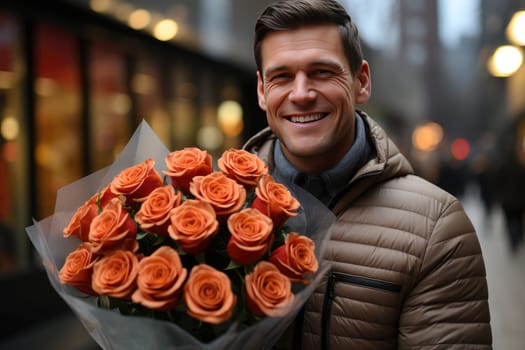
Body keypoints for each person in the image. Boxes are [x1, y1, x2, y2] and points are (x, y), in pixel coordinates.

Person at [243, 0, 492, 349]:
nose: (301, 94)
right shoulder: (212, 205)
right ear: (261, 91)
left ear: (361, 82)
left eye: (321, 72)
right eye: (282, 76)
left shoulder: (436, 228)